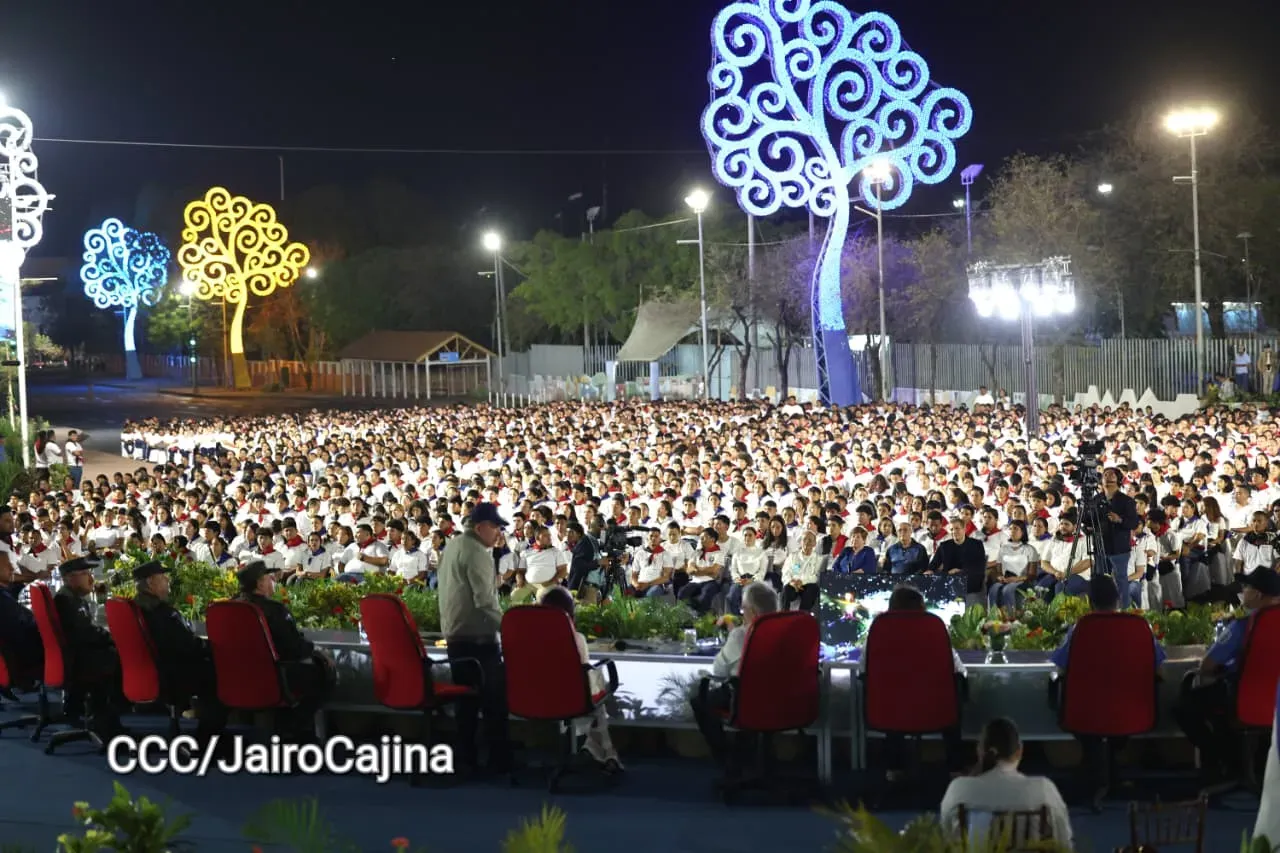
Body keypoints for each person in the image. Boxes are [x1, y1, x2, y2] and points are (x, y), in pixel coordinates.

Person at [1050, 575, 1166, 798]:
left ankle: (1094, 773)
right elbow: (1159, 671)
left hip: (1085, 712)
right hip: (1132, 710)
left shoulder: (1079, 629)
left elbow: (1061, 669)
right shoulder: (1140, 627)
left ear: (1089, 601)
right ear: (1119, 598)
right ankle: (1108, 773)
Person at [1174, 566, 1280, 785]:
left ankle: (1222, 761)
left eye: (1246, 587)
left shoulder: (1243, 625)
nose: (1243, 592)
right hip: (1276, 704)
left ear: (1258, 594)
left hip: (1245, 698)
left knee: (1185, 706)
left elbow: (1207, 665)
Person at [859, 585, 967, 781]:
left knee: (893, 699)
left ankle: (894, 770)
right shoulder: (934, 627)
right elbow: (958, 670)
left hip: (888, 712)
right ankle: (956, 769)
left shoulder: (879, 629)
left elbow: (863, 672)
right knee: (954, 694)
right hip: (934, 710)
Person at [437, 503, 511, 773]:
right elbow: (485, 602)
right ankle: (497, 761)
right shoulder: (478, 552)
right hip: (477, 637)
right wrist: (511, 630)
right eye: (496, 528)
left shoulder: (453, 545)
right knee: (494, 702)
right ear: (481, 527)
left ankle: (466, 759)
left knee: (466, 705)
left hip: (455, 635)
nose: (499, 534)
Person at [235, 561, 335, 739]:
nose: (273, 580)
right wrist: (317, 651)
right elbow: (294, 648)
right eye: (268, 578)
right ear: (259, 584)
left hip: (237, 677)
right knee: (323, 671)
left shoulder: (231, 607)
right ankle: (295, 729)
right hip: (273, 677)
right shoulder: (274, 610)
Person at [940, 718, 1072, 848]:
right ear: (1020, 751)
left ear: (980, 750)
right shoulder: (1044, 789)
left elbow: (945, 840)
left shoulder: (958, 789)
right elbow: (1064, 842)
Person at [132, 560, 225, 741]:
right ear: (151, 582)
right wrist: (214, 647)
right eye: (163, 577)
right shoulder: (161, 612)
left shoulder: (136, 607)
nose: (167, 580)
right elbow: (186, 645)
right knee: (217, 672)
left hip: (150, 671)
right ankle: (208, 739)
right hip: (172, 673)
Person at [690, 581, 777, 773]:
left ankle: (727, 761)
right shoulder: (788, 630)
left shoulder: (740, 635)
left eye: (744, 608)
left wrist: (733, 635)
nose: (742, 612)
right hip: (784, 698)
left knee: (700, 701)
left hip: (748, 698)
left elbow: (719, 671)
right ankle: (750, 755)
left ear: (752, 611)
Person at [537, 585, 622, 773]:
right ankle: (605, 753)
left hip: (531, 699)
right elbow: (582, 677)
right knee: (596, 684)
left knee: (593, 689)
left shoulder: (527, 639)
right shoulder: (575, 639)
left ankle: (595, 749)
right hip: (568, 700)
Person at [53, 556, 125, 737]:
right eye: (85, 574)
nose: (91, 578)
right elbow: (84, 634)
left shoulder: (73, 597)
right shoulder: (66, 600)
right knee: (119, 656)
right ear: (70, 578)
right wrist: (112, 638)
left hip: (80, 656)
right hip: (80, 660)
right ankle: (104, 720)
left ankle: (100, 715)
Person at [1097, 467, 1141, 609]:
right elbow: (1086, 519)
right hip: (1101, 545)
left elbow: (1134, 523)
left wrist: (1120, 519)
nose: (1107, 478)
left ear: (1118, 479)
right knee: (1101, 580)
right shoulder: (1096, 499)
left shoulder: (1126, 501)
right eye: (1105, 475)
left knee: (1121, 580)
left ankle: (1124, 610)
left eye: (1111, 475)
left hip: (1119, 547)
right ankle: (1103, 610)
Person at [0, 540, 41, 684]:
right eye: (7, 565)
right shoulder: (3, 600)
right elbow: (26, 622)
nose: (12, 568)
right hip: (24, 659)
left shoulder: (5, 593)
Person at [929, 517, 988, 608]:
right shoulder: (944, 546)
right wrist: (929, 570)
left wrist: (960, 571)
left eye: (957, 528)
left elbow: (979, 567)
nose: (954, 532)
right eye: (952, 529)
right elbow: (934, 564)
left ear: (964, 529)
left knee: (958, 579)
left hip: (970, 579)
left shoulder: (976, 545)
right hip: (950, 579)